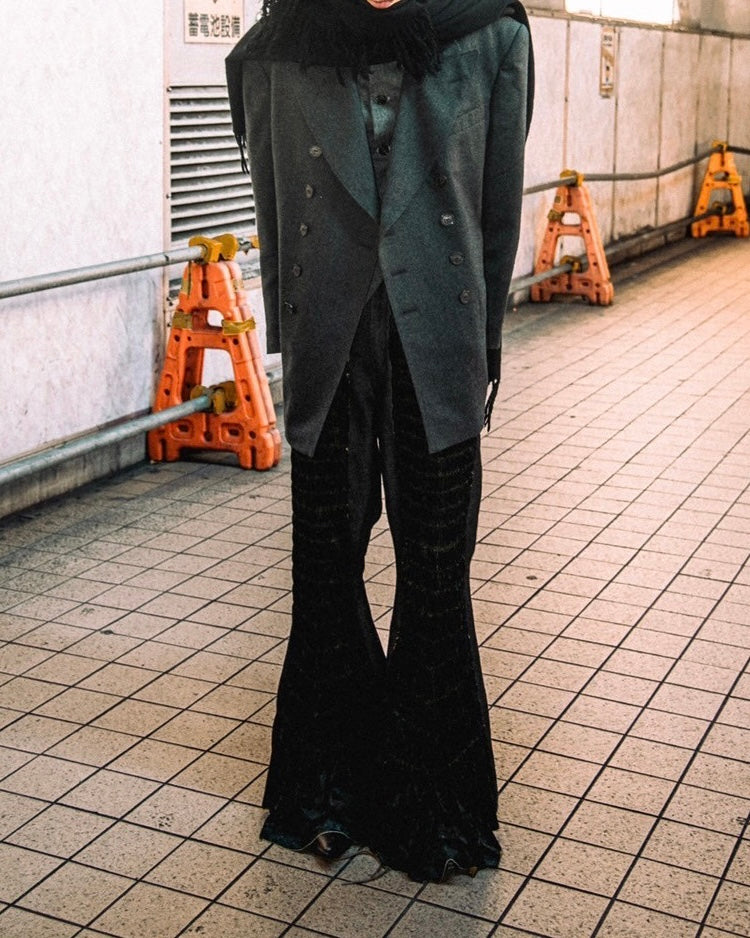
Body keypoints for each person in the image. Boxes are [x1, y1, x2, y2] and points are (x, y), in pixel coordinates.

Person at [226, 0, 533, 882]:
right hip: (331, 338)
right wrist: (290, 334)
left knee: (435, 577)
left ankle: (434, 811)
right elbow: (273, 202)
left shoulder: (491, 32)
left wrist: (484, 348)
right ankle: (327, 793)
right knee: (324, 567)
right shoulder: (281, 44)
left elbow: (498, 210)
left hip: (438, 334)